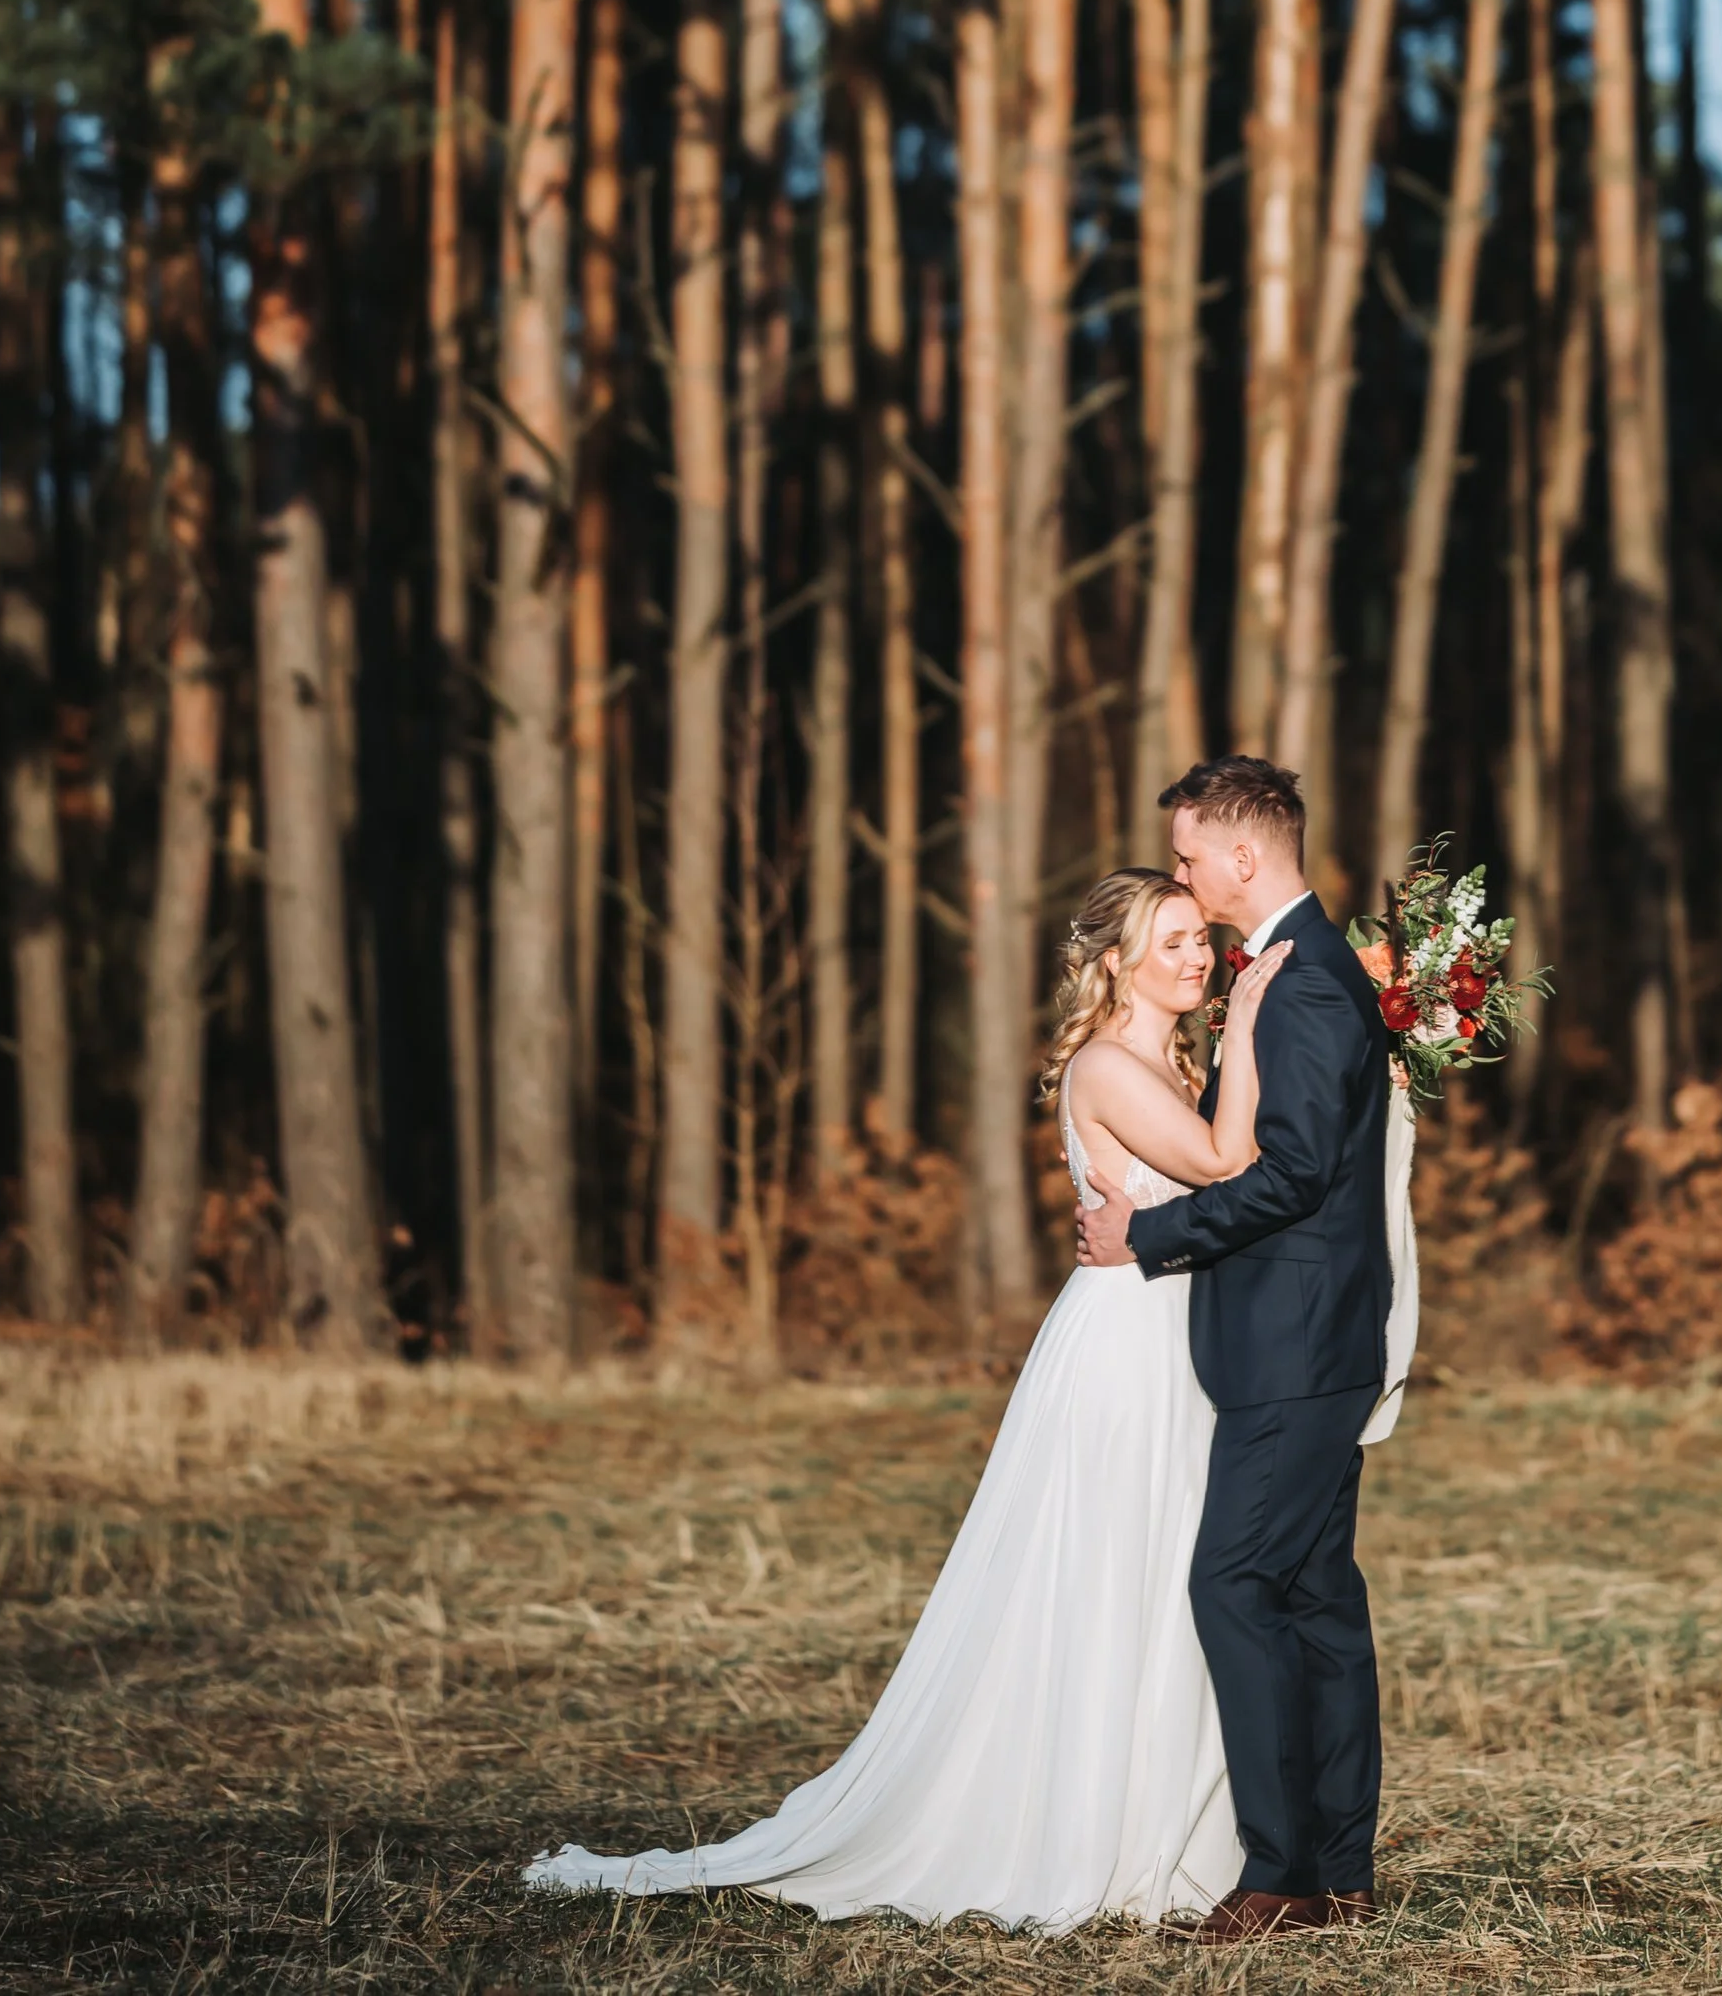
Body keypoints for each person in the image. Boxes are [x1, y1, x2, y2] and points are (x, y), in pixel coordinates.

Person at [523, 865, 1287, 1931]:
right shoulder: (1111, 1065)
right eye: (1173, 942)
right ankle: (1079, 1827)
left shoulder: (1164, 1057)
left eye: (1202, 938)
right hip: (1124, 1351)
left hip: (1175, 1339)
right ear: (1115, 964)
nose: (1199, 957)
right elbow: (1224, 1157)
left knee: (1168, 1575)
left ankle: (1165, 1816)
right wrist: (1249, 1026)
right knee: (1112, 1569)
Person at [1076, 755, 1397, 1939]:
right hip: (1319, 1336)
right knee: (1315, 1599)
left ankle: (1278, 1876)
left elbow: (1293, 1173)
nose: (1181, 873)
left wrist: (1148, 1236)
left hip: (1292, 1347)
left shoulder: (1303, 984)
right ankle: (1335, 1874)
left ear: (1243, 855)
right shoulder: (1306, 968)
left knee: (1235, 1583)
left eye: (1188, 855)